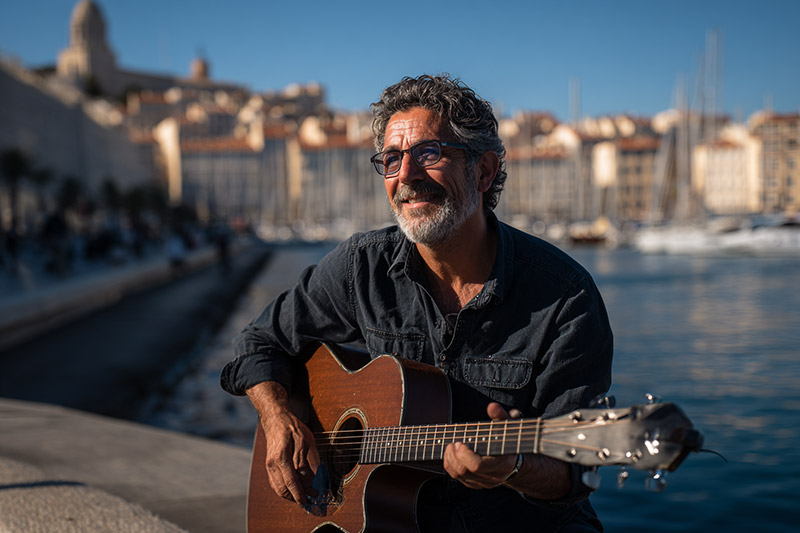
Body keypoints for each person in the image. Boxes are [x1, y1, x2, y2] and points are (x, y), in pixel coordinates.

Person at [221, 74, 613, 531]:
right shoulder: (362, 266)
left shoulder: (564, 296)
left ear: (483, 172)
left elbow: (576, 471)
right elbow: (258, 343)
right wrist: (278, 418)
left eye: (429, 153)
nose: (406, 175)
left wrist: (513, 468)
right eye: (392, 159)